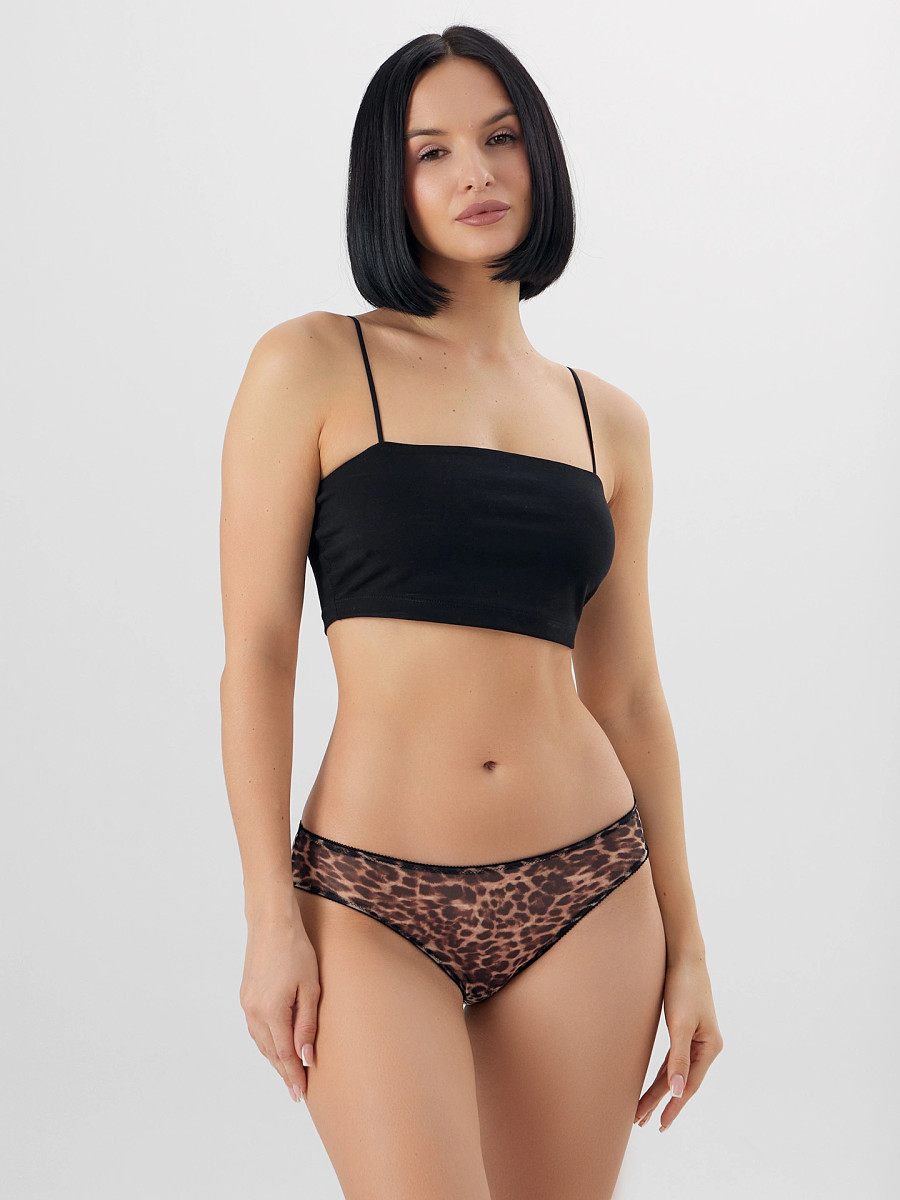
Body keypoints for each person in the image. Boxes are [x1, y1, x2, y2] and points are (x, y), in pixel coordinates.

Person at [219, 24, 723, 1200]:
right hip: (369, 898)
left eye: (501, 139)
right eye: (431, 151)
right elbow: (257, 656)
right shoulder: (312, 365)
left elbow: (630, 697)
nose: (477, 173)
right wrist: (267, 919)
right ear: (386, 183)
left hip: (590, 892)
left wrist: (690, 941)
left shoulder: (608, 421)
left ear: (540, 157)